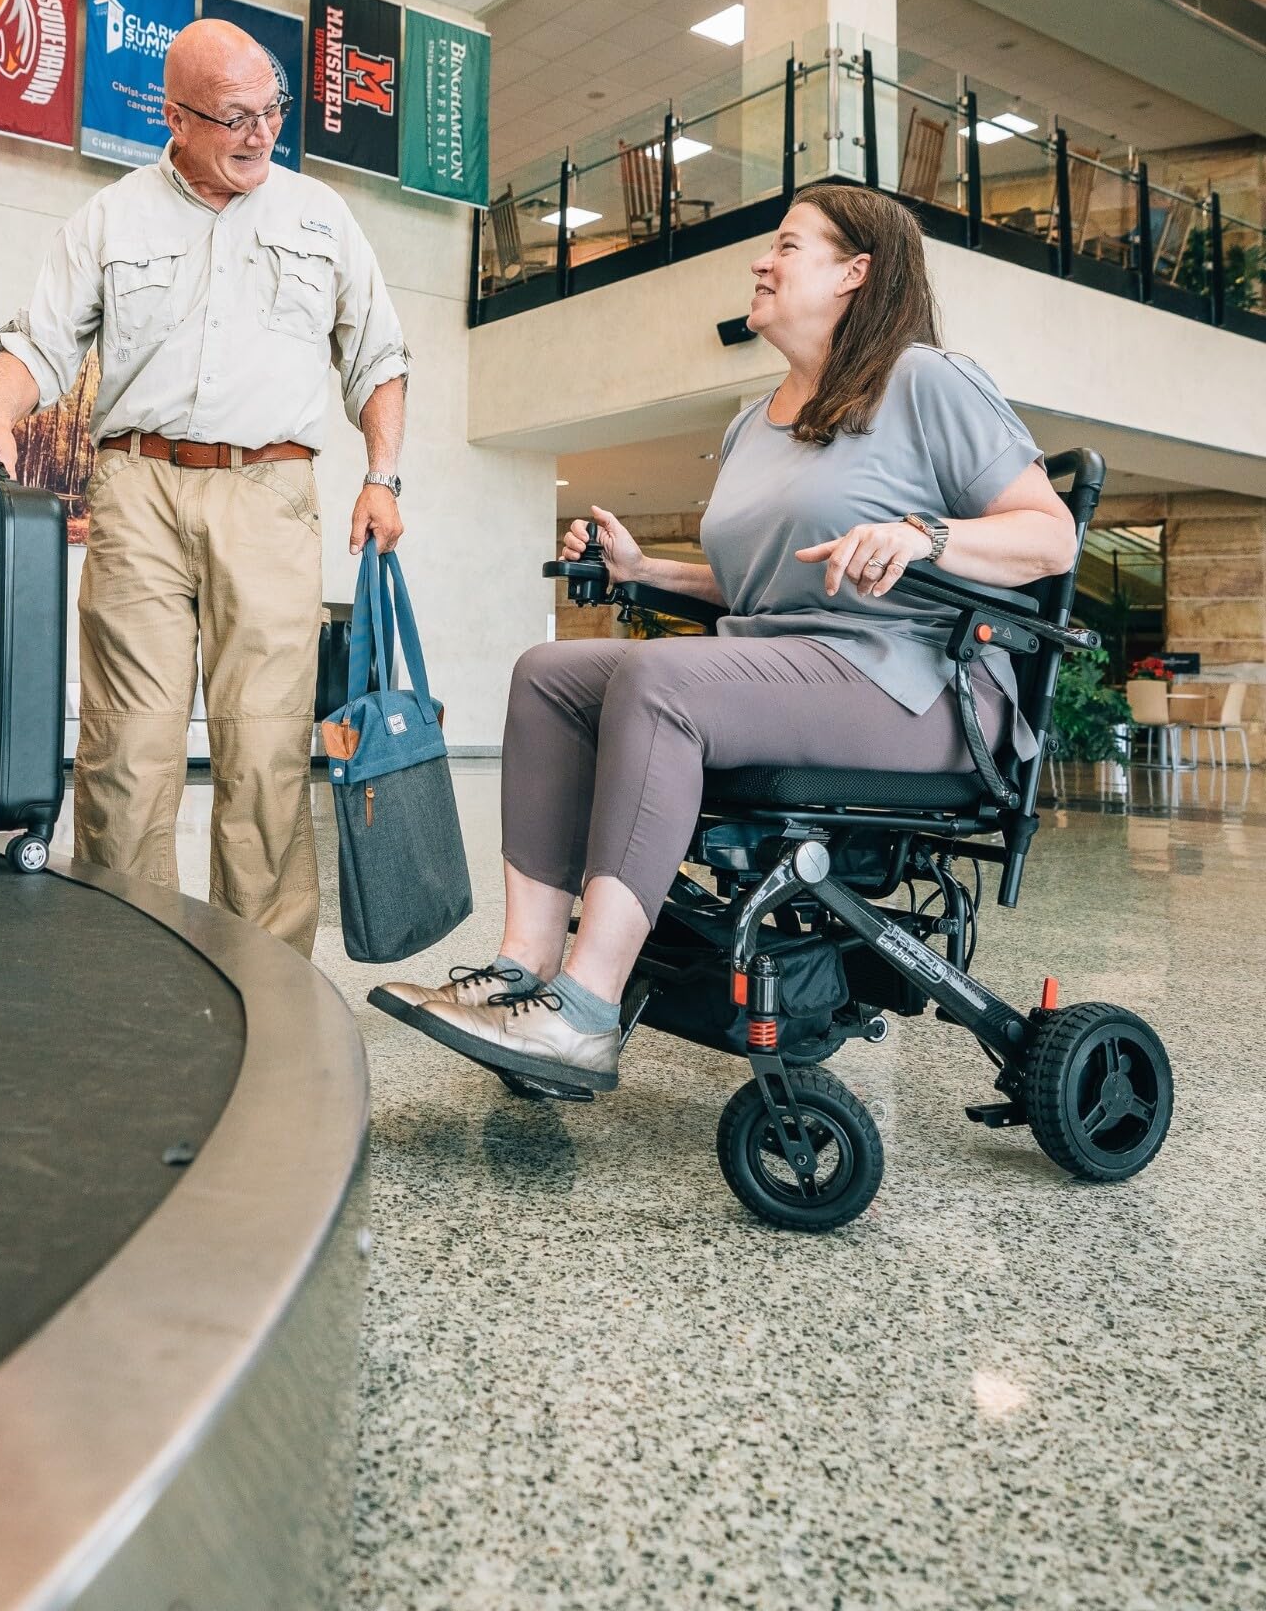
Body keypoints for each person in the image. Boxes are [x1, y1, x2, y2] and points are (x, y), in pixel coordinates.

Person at [381, 183, 1077, 1088]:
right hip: (788, 668)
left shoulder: (924, 380)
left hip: (917, 686)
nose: (762, 260)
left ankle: (587, 1012)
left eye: (789, 246)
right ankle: (527, 969)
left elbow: (1049, 535)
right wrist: (645, 571)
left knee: (663, 682)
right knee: (550, 673)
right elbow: (766, 585)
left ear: (855, 273)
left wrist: (922, 537)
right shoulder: (755, 420)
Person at [0, 17, 410, 956]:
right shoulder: (113, 216)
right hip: (140, 490)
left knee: (268, 751)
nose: (259, 133)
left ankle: (270, 984)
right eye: (235, 116)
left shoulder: (320, 217)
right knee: (128, 749)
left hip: (271, 495)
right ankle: (129, 972)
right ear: (176, 115)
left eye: (272, 111)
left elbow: (378, 356)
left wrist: (383, 478)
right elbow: (35, 342)